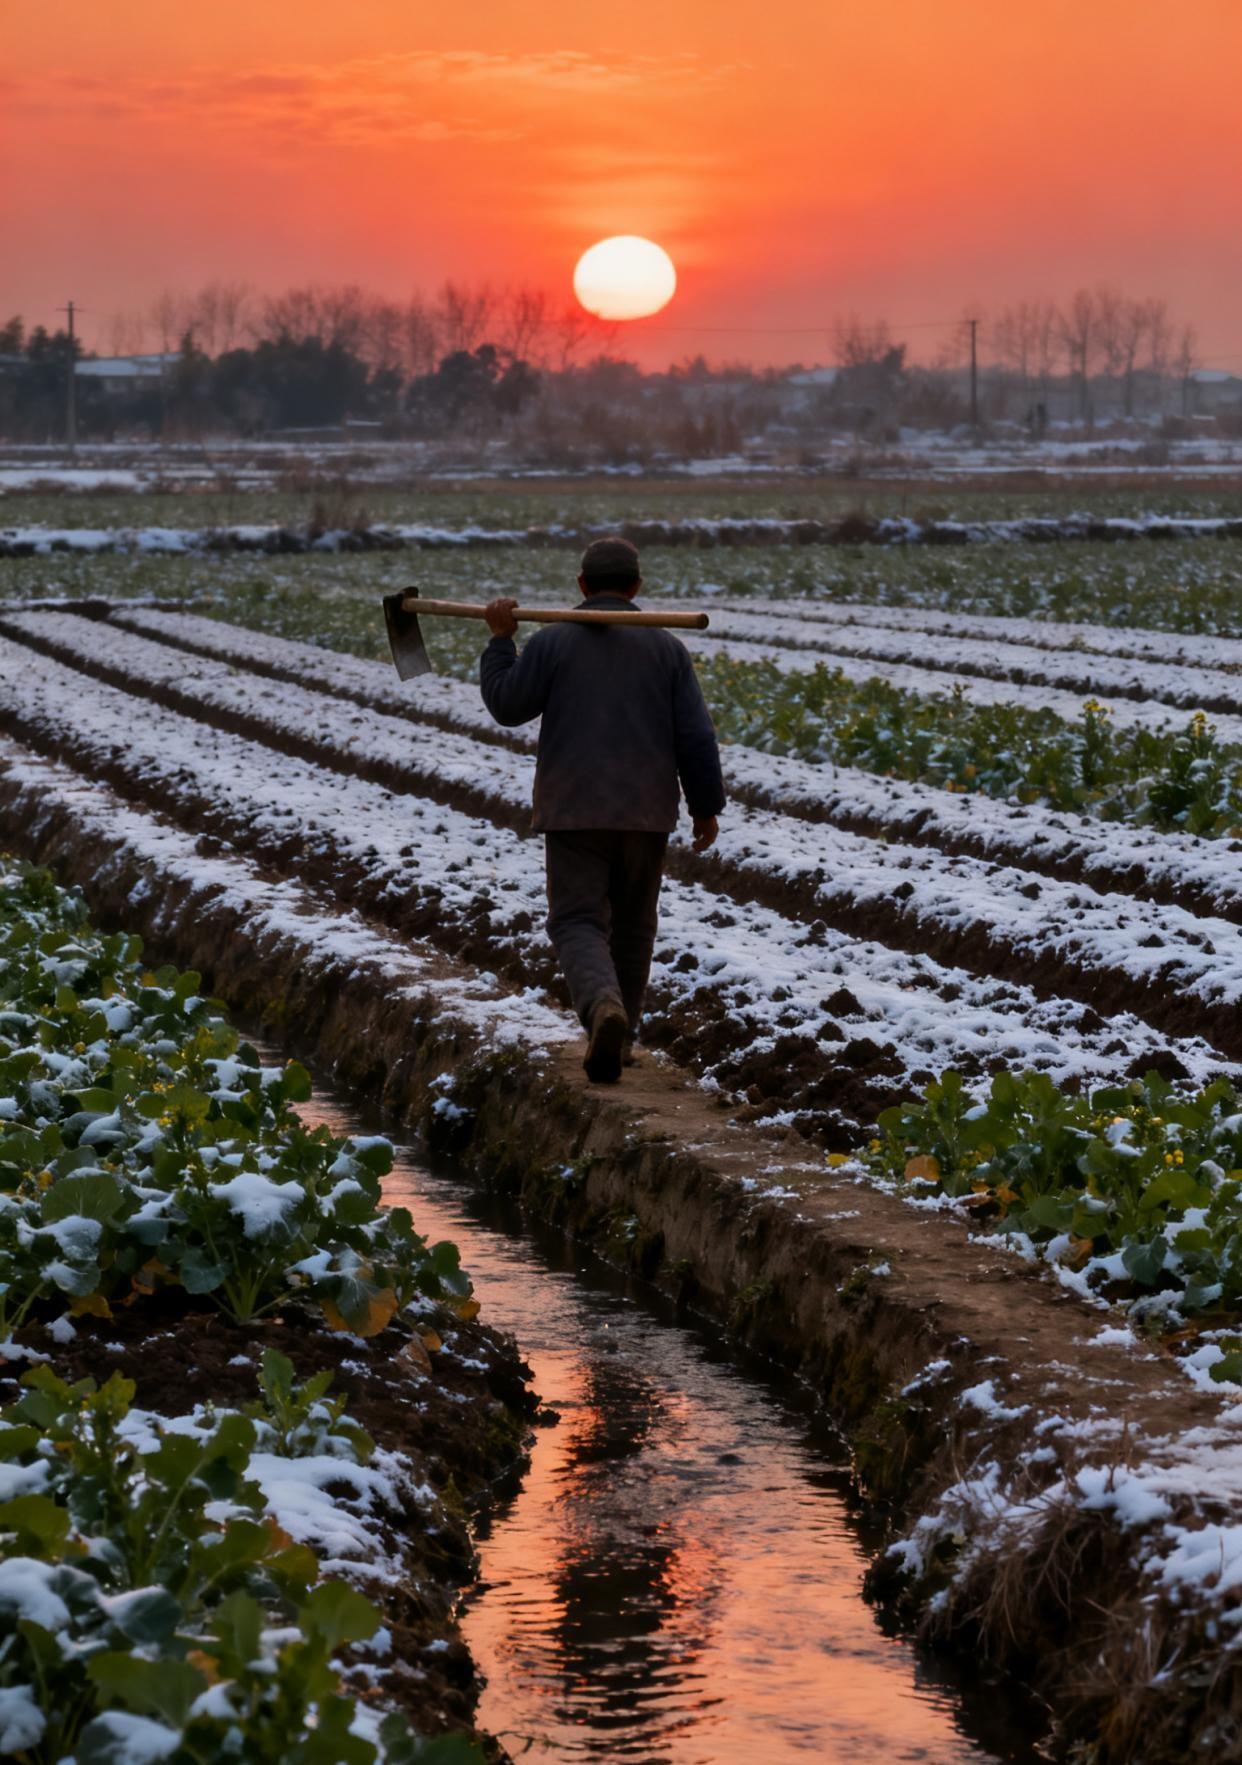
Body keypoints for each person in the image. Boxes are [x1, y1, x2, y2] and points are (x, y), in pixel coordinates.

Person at [479, 536, 725, 1083]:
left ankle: (601, 1011)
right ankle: (624, 1035)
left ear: (582, 585)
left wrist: (501, 643)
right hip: (646, 812)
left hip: (574, 808)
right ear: (636, 587)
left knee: (577, 920)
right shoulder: (666, 650)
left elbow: (508, 706)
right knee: (635, 926)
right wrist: (705, 807)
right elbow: (696, 737)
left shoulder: (551, 643)